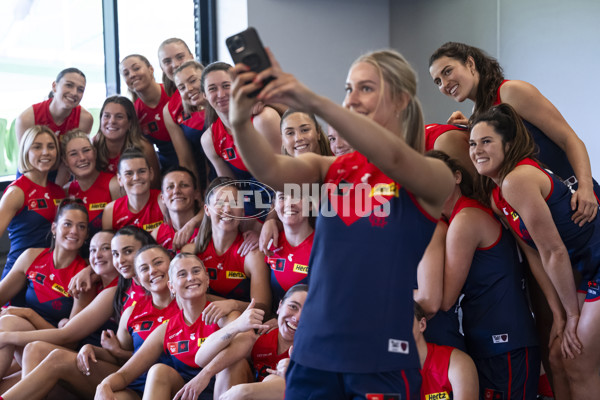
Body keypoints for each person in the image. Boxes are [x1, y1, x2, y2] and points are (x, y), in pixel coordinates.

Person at [228, 47, 454, 399]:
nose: (351, 99)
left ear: (400, 100)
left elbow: (392, 155)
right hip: (314, 352)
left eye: (365, 88)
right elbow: (271, 170)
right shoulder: (331, 168)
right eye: (348, 89)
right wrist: (239, 121)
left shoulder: (432, 174)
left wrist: (309, 99)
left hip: (379, 355)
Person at [470, 103, 600, 399]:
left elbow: (554, 251)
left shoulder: (518, 179)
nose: (476, 150)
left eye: (486, 141)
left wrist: (573, 316)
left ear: (509, 144)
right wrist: (558, 314)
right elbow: (535, 255)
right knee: (557, 355)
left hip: (594, 263)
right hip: (587, 268)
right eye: (472, 143)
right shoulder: (496, 196)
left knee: (577, 360)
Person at [429, 41, 599, 226]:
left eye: (447, 71)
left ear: (470, 63)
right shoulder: (478, 115)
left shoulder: (511, 91)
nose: (444, 84)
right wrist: (471, 126)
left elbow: (569, 139)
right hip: (542, 210)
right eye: (438, 81)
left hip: (576, 198)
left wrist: (586, 188)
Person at [0, 241, 178, 400]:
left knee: (156, 372)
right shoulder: (131, 311)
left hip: (169, 382)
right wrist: (93, 349)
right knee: (37, 350)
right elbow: (120, 359)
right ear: (137, 278)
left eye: (158, 263)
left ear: (172, 267)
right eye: (144, 268)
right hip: (131, 380)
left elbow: (68, 336)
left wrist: (14, 330)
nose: (152, 270)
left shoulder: (195, 304)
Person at [431, 149, 540, 398]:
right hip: (486, 340)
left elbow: (446, 299)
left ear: (457, 176)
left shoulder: (465, 218)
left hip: (506, 342)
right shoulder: (453, 219)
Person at [95, 253, 265, 400]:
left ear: (206, 280)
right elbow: (126, 374)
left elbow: (246, 340)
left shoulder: (225, 314)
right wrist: (104, 384)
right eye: (182, 274)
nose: (191, 278)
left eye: (196, 271)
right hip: (187, 393)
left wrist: (205, 374)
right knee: (158, 371)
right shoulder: (166, 329)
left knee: (234, 364)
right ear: (172, 287)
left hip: (226, 390)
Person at [0, 199, 90, 380]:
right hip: (23, 342)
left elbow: (71, 340)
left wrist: (28, 313)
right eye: (67, 224)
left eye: (81, 227)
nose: (74, 231)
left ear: (86, 234)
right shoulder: (32, 256)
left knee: (9, 322)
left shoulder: (84, 277)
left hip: (54, 347)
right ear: (54, 228)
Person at [181, 177, 272, 322]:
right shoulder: (192, 251)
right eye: (220, 203)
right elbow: (178, 297)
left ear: (242, 211)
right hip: (199, 327)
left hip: (240, 329)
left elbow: (264, 310)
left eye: (234, 203)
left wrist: (232, 304)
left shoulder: (253, 255)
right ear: (207, 210)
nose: (227, 209)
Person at [200, 62, 281, 221]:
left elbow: (285, 179)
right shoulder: (209, 139)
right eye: (212, 89)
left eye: (226, 85)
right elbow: (230, 191)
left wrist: (271, 221)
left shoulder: (263, 119)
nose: (221, 94)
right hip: (250, 204)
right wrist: (246, 224)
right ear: (204, 95)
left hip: (285, 199)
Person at [202, 284, 308, 400]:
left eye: (308, 313)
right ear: (280, 306)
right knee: (231, 363)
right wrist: (236, 326)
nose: (297, 318)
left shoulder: (316, 352)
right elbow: (201, 359)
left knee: (276, 380)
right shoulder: (261, 338)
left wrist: (242, 392)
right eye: (293, 307)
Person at [0, 125, 65, 279]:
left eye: (51, 147)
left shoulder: (59, 191)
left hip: (46, 276)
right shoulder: (17, 192)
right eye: (37, 147)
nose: (45, 152)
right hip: (18, 274)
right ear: (26, 152)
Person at [120, 54, 180, 173]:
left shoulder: (175, 93)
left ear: (151, 69)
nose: (132, 75)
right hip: (168, 167)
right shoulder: (134, 114)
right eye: (126, 73)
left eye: (136, 68)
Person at [61, 129, 121, 237]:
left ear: (95, 152)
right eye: (73, 154)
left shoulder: (114, 185)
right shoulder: (65, 191)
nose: (82, 158)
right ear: (65, 161)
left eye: (86, 150)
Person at [413, 301, 478, 400]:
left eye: (403, 321)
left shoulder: (457, 363)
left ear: (421, 324)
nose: (396, 330)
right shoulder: (384, 369)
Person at [92, 95, 160, 188]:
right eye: (107, 116)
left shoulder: (144, 148)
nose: (112, 121)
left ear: (130, 123)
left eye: (119, 117)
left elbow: (154, 185)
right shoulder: (93, 145)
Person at [14, 68, 93, 142]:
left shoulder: (85, 119)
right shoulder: (27, 119)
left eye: (80, 90)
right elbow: (25, 155)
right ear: (54, 86)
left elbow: (79, 154)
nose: (74, 93)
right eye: (69, 85)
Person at [265, 192, 313, 306]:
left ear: (311, 204)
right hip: (273, 321)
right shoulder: (267, 244)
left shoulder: (321, 248)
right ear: (275, 206)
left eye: (297, 196)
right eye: (282, 197)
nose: (289, 203)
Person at [170, 60, 210, 193]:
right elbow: (187, 161)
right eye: (181, 87)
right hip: (212, 180)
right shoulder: (186, 117)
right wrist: (197, 193)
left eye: (193, 80)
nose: (189, 89)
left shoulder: (226, 107)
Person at [102, 148, 164, 233]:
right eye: (129, 173)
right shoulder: (110, 211)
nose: (136, 178)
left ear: (151, 174)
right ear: (120, 179)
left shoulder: (163, 201)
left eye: (141, 171)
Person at [152, 166, 202, 253]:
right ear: (162, 198)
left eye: (184, 185)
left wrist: (192, 223)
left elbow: (230, 202)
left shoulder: (210, 228)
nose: (176, 191)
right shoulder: (157, 235)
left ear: (196, 194)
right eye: (170, 187)